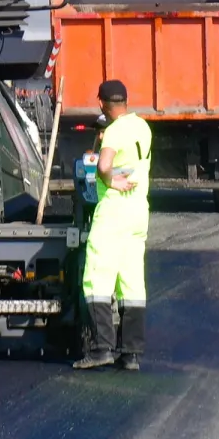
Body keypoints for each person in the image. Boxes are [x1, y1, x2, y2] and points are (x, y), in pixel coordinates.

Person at [74, 79, 153, 372]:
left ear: (101, 103)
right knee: (131, 282)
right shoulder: (141, 127)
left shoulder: (114, 131)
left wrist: (109, 180)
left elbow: (104, 165)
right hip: (138, 213)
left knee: (96, 278)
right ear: (127, 101)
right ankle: (131, 354)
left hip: (113, 213)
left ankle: (100, 349)